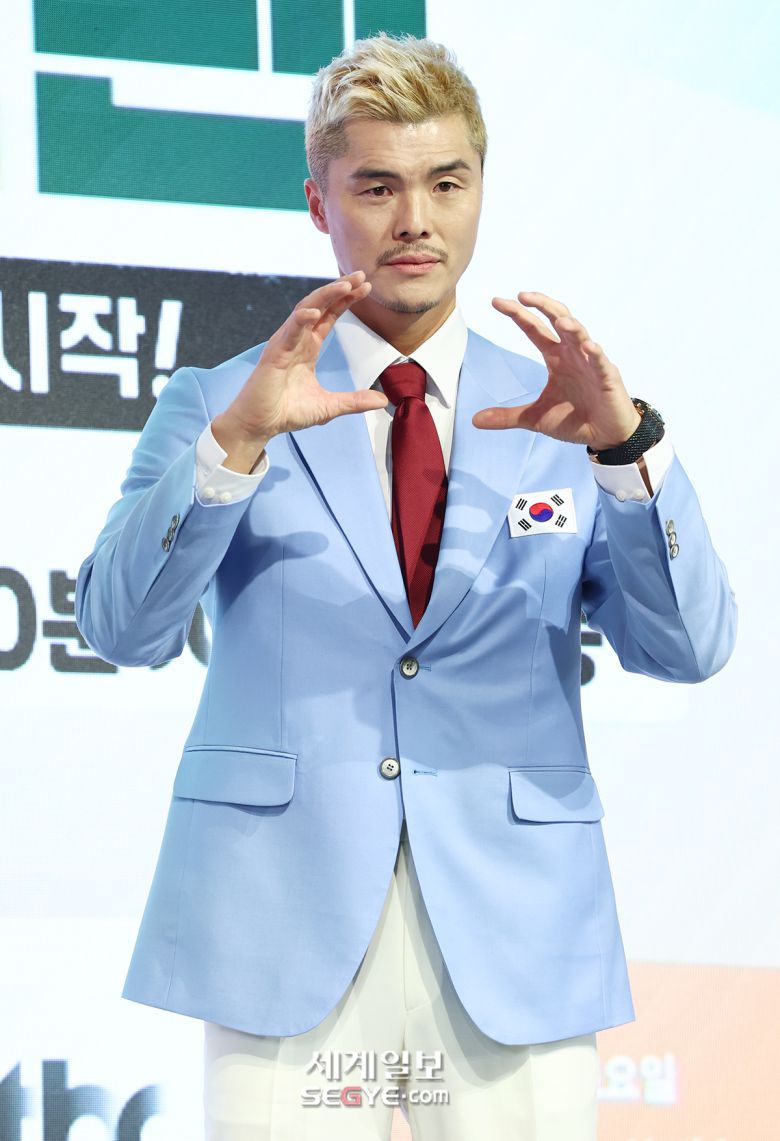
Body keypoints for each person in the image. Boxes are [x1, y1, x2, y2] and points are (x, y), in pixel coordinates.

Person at [76, 33, 736, 1141]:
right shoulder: (225, 400)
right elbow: (121, 626)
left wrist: (628, 454)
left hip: (517, 921)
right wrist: (232, 449)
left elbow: (689, 647)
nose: (415, 220)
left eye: (446, 183)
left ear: (481, 190)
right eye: (377, 186)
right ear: (319, 203)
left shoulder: (568, 410)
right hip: (279, 919)